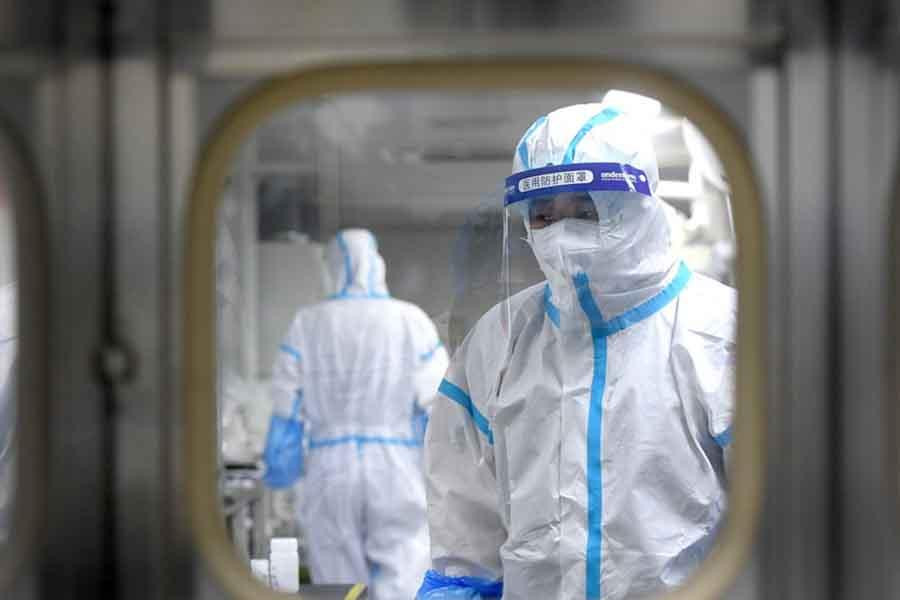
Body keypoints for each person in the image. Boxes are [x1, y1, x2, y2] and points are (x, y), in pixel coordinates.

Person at [417, 94, 736, 599]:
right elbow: (465, 530)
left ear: (638, 203)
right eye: (543, 215)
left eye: (586, 209)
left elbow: (781, 522)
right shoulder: (500, 339)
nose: (563, 232)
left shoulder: (720, 331)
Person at [261, 228, 449, 599]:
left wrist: (281, 467)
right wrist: (442, 472)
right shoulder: (410, 320)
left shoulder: (308, 323)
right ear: (378, 265)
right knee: (404, 567)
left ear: (331, 268)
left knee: (338, 578)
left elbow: (286, 404)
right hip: (395, 466)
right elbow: (439, 408)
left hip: (330, 468)